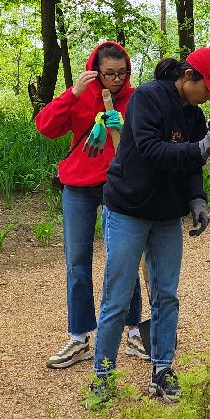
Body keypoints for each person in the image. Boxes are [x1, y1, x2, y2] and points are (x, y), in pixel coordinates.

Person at [87, 48, 210, 406]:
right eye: (208, 87)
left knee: (166, 294)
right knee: (117, 297)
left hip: (167, 215)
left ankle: (162, 370)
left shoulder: (195, 117)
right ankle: (103, 375)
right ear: (188, 77)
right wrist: (200, 148)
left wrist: (197, 198)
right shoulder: (148, 97)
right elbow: (153, 150)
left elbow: (190, 169)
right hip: (128, 208)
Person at [35, 42, 149, 369]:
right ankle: (79, 338)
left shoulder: (136, 98)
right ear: (95, 70)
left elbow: (145, 144)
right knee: (76, 261)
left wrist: (122, 127)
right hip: (78, 186)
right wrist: (71, 93)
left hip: (118, 185)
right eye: (109, 73)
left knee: (123, 258)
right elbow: (46, 127)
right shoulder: (81, 94)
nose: (116, 79)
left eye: (122, 73)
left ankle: (133, 333)